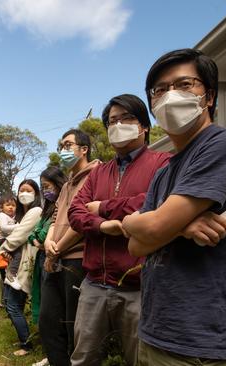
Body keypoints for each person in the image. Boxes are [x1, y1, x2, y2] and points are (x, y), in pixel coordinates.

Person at [122, 49, 226, 364]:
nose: (170, 96)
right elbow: (135, 246)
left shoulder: (225, 143)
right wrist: (178, 225)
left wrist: (153, 223)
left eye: (184, 84)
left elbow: (152, 228)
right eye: (160, 90)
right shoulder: (164, 171)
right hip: (156, 330)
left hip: (201, 343)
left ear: (208, 96)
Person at [68, 94, 172, 365]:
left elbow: (153, 203)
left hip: (139, 286)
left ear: (144, 127)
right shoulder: (99, 173)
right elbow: (75, 214)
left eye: (128, 118)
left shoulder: (162, 163)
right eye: (113, 120)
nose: (119, 124)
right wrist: (104, 226)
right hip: (94, 284)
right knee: (83, 358)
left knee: (140, 359)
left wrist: (102, 207)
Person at [39, 129, 100, 366]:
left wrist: (57, 248)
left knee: (76, 326)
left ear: (83, 149)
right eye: (61, 146)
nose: (63, 150)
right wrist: (48, 243)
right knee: (48, 322)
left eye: (68, 145)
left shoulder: (97, 174)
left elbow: (83, 220)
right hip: (56, 258)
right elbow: (56, 218)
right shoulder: (65, 186)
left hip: (77, 259)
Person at [0, 179, 43, 356]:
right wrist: (9, 251)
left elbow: (19, 234)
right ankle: (26, 339)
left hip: (24, 266)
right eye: (21, 190)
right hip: (16, 263)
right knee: (11, 304)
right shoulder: (20, 215)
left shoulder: (36, 211)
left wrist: (4, 249)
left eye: (28, 190)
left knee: (13, 306)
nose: (24, 193)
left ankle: (27, 344)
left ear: (36, 193)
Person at [29, 167, 66, 326]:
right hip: (42, 259)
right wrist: (37, 240)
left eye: (47, 186)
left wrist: (38, 239)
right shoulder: (48, 209)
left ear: (58, 184)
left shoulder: (62, 209)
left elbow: (42, 236)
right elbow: (32, 236)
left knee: (51, 305)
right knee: (41, 297)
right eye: (42, 187)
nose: (45, 191)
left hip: (54, 260)